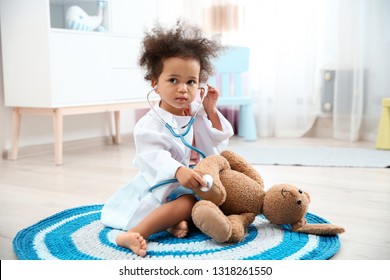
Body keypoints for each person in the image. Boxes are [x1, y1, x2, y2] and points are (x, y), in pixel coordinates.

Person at [100, 20, 234, 257]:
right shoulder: (148, 125)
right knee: (189, 204)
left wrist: (211, 110)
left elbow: (212, 147)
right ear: (155, 83)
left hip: (181, 182)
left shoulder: (194, 113)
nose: (183, 89)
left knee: (214, 199)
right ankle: (133, 234)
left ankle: (173, 223)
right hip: (158, 184)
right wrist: (178, 171)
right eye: (174, 80)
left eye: (191, 82)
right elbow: (154, 157)